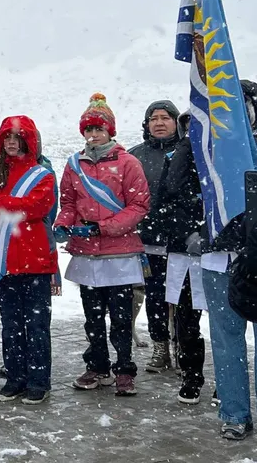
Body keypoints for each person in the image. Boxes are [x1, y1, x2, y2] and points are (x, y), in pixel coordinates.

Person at [56, 94, 149, 397]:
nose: (93, 136)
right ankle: (97, 364)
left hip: (119, 254)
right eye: (88, 130)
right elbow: (68, 203)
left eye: (98, 129)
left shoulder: (128, 163)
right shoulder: (74, 165)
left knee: (121, 317)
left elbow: (138, 206)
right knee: (92, 317)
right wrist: (63, 222)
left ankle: (124, 369)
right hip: (87, 255)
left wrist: (103, 228)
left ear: (111, 131)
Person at [0, 115, 57, 404]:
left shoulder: (43, 175)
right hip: (3, 260)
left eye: (17, 137)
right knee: (11, 324)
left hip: (35, 261)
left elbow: (36, 207)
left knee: (37, 325)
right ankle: (15, 378)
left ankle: (39, 381)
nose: (12, 143)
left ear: (29, 141)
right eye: (7, 138)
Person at [202, 79, 257, 440]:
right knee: (226, 340)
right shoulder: (203, 149)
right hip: (217, 261)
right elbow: (175, 198)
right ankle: (235, 413)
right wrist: (203, 229)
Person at [154, 112, 208, 404]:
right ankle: (191, 375)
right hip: (184, 251)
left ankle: (226, 382)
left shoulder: (224, 157)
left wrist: (208, 234)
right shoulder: (177, 157)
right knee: (187, 318)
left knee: (227, 321)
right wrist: (185, 233)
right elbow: (165, 199)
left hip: (220, 250)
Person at [128, 101, 181, 372]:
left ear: (176, 122)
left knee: (185, 300)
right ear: (146, 124)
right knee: (156, 296)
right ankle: (160, 347)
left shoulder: (190, 152)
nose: (159, 123)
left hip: (183, 242)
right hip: (148, 241)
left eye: (165, 118)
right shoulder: (135, 156)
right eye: (153, 118)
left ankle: (182, 347)